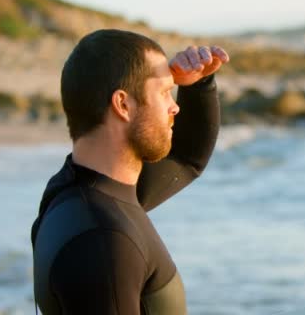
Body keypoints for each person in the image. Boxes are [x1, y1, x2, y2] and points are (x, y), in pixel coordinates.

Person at [30, 29, 229, 314]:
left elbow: (186, 160)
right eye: (164, 93)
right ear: (123, 104)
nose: (175, 107)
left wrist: (198, 84)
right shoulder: (104, 240)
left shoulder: (73, 193)